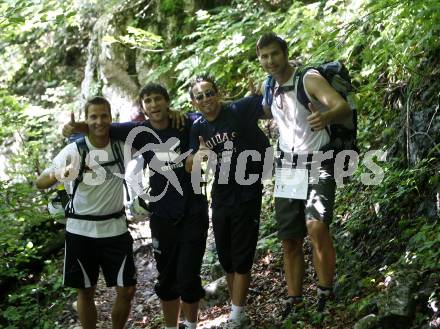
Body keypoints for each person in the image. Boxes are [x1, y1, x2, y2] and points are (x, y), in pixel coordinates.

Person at [64, 84, 209, 329]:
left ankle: (191, 325)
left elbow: (207, 115)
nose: (154, 105)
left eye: (158, 100)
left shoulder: (185, 122)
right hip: (162, 214)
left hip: (193, 210)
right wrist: (75, 127)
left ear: (167, 101)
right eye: (148, 101)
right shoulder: (139, 131)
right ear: (142, 107)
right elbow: (103, 126)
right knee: (167, 280)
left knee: (189, 277)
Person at [256, 32, 352, 316]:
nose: (270, 60)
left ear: (285, 53)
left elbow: (341, 106)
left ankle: (325, 291)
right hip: (288, 166)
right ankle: (294, 299)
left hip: (319, 161)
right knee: (290, 238)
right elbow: (265, 112)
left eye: (274, 54)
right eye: (264, 56)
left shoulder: (307, 78)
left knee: (316, 226)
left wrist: (326, 116)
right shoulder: (270, 85)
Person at [36, 96, 136, 329]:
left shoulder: (122, 147)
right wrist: (61, 173)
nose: (99, 121)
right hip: (81, 232)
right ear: (86, 119)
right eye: (93, 116)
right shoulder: (74, 149)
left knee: (128, 289)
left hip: (115, 229)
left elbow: (153, 134)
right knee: (86, 292)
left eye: (104, 116)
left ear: (111, 118)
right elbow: (40, 182)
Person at [185, 74, 270, 328]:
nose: (206, 99)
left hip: (247, 191)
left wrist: (259, 92)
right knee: (226, 257)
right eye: (199, 96)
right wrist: (199, 156)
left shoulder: (237, 109)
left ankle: (236, 315)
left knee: (242, 255)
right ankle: (238, 309)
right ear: (194, 103)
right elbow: (191, 167)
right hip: (221, 193)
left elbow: (270, 104)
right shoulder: (198, 127)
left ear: (218, 93)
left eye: (209, 93)